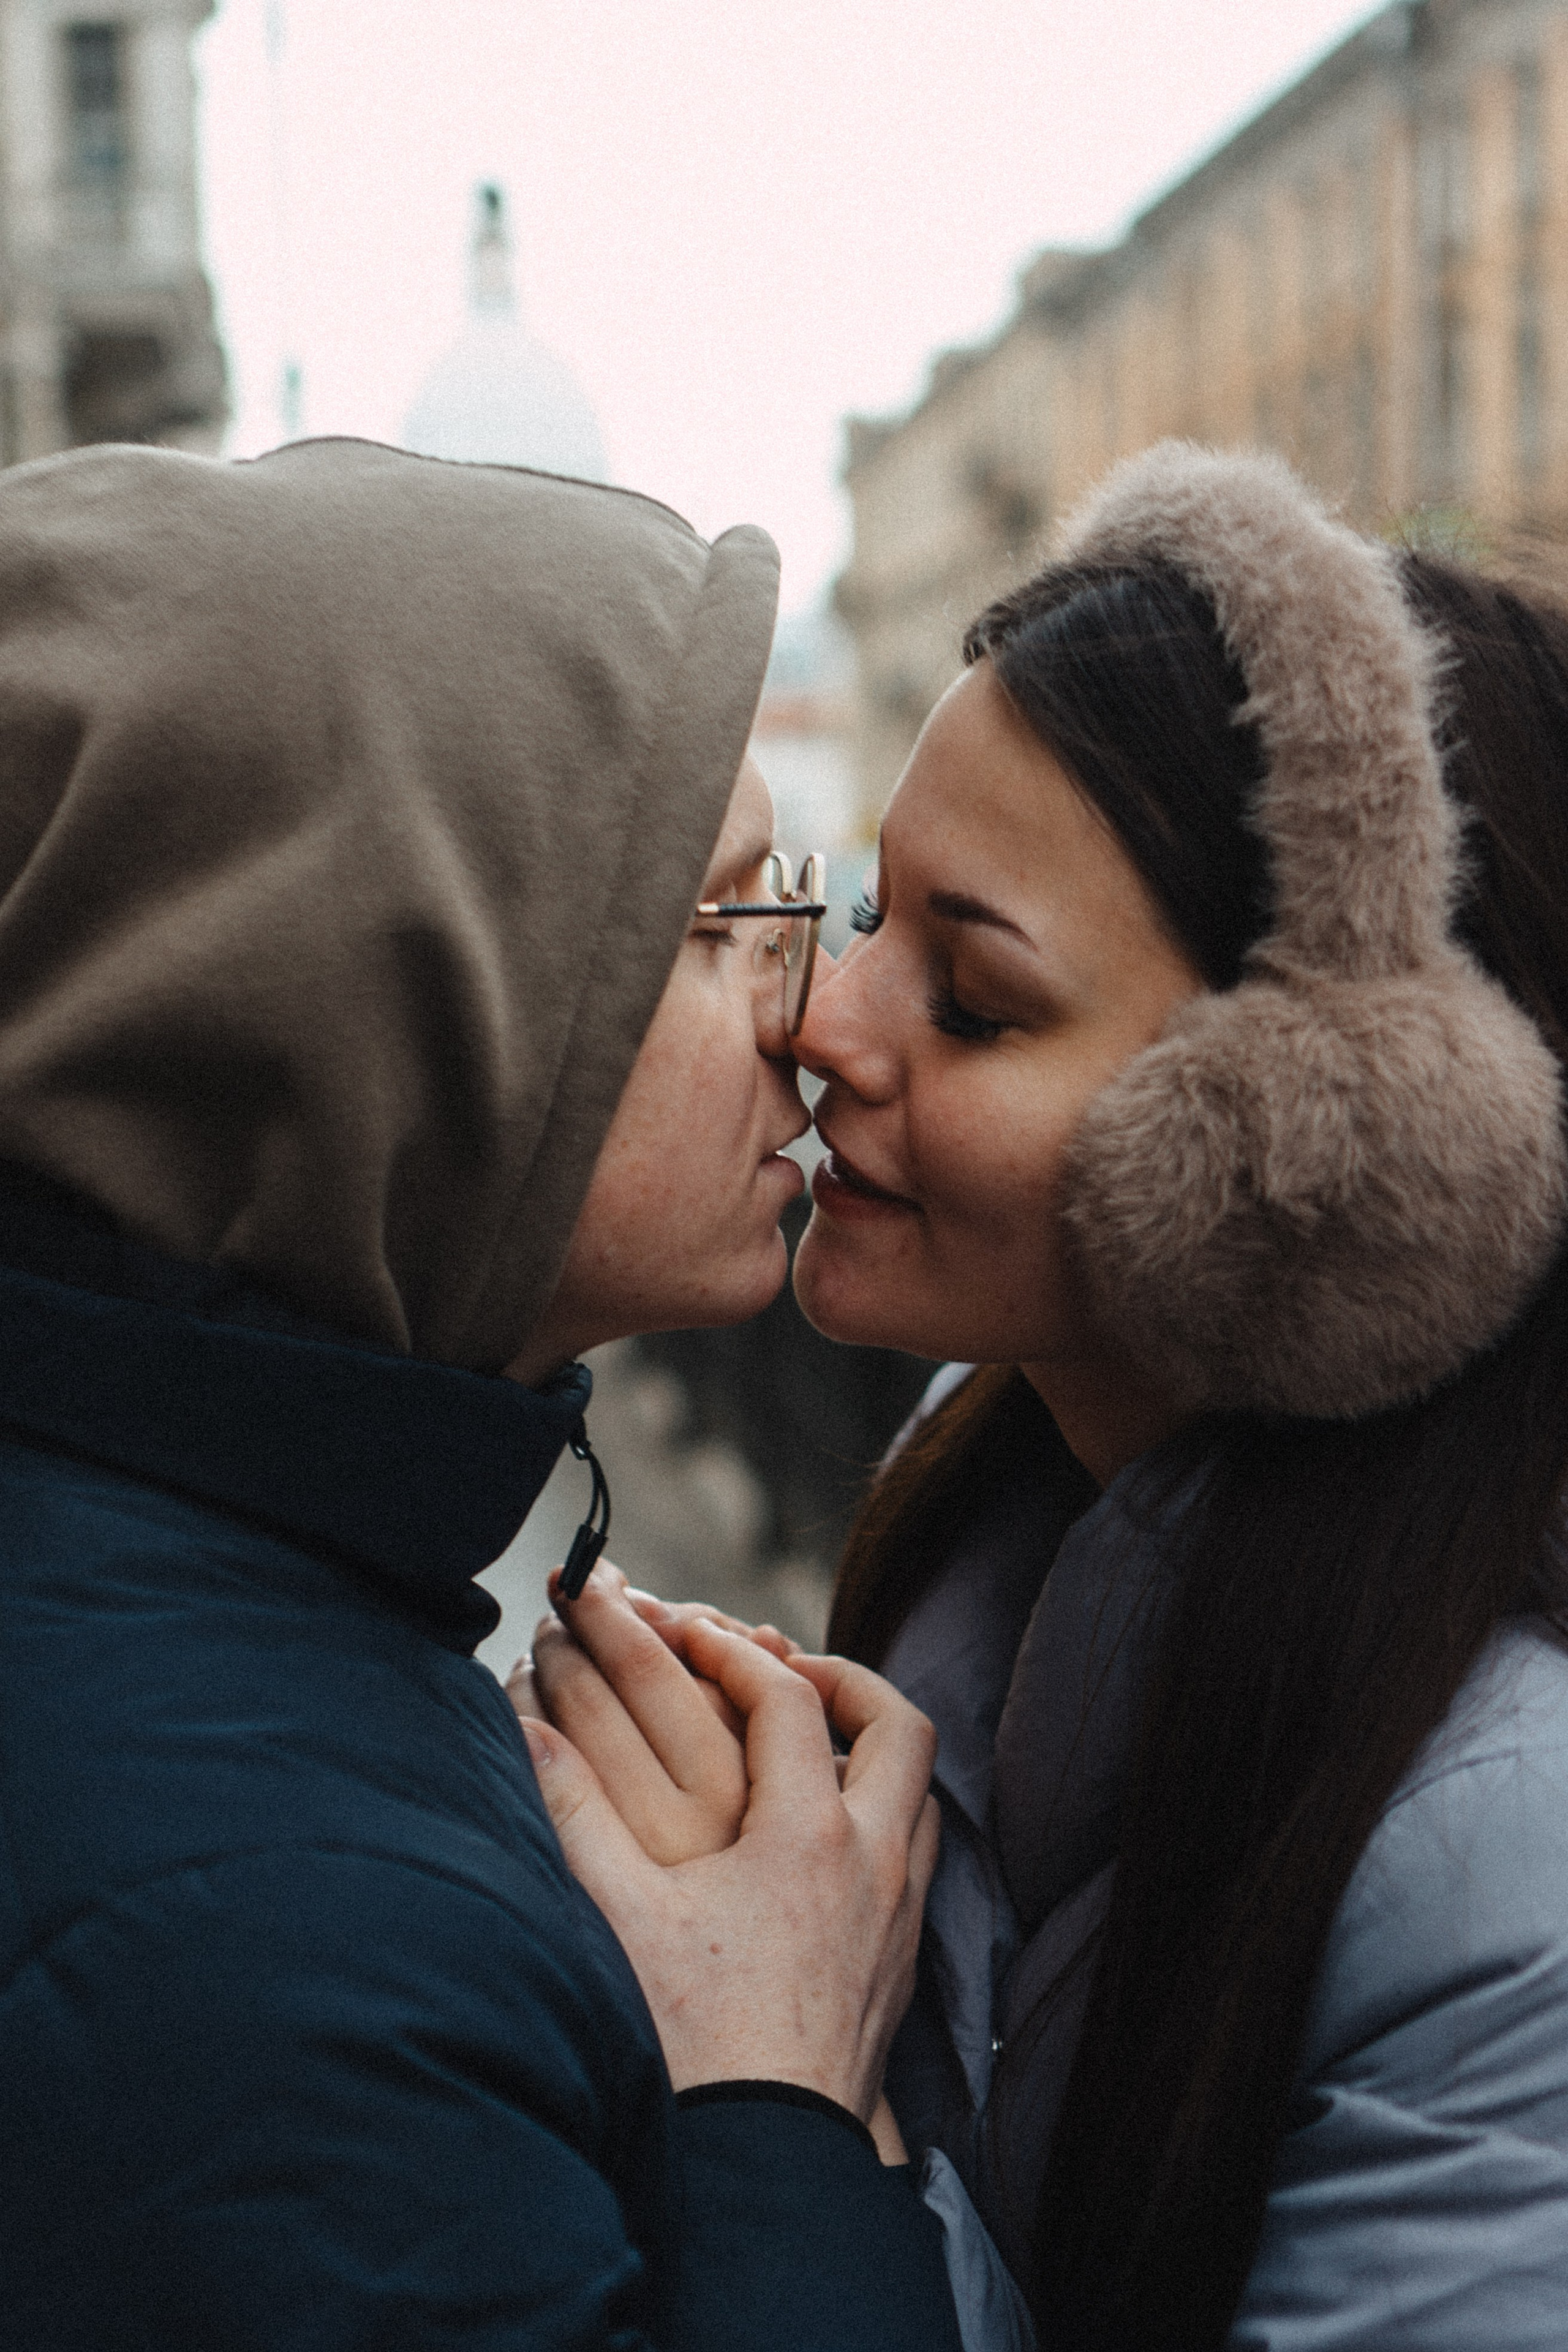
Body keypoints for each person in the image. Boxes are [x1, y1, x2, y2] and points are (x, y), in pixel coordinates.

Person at [529, 445, 1568, 2350]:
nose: (823, 1024)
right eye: (864, 917)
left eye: (977, 998)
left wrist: (775, 2094)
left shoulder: (1515, 1860)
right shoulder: (987, 1526)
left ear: (1328, 1148)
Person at [0, 435, 963, 2352]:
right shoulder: (274, 1936)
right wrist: (772, 2093)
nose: (816, 1010)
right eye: (712, 921)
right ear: (380, 1013)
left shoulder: (191, 1572)